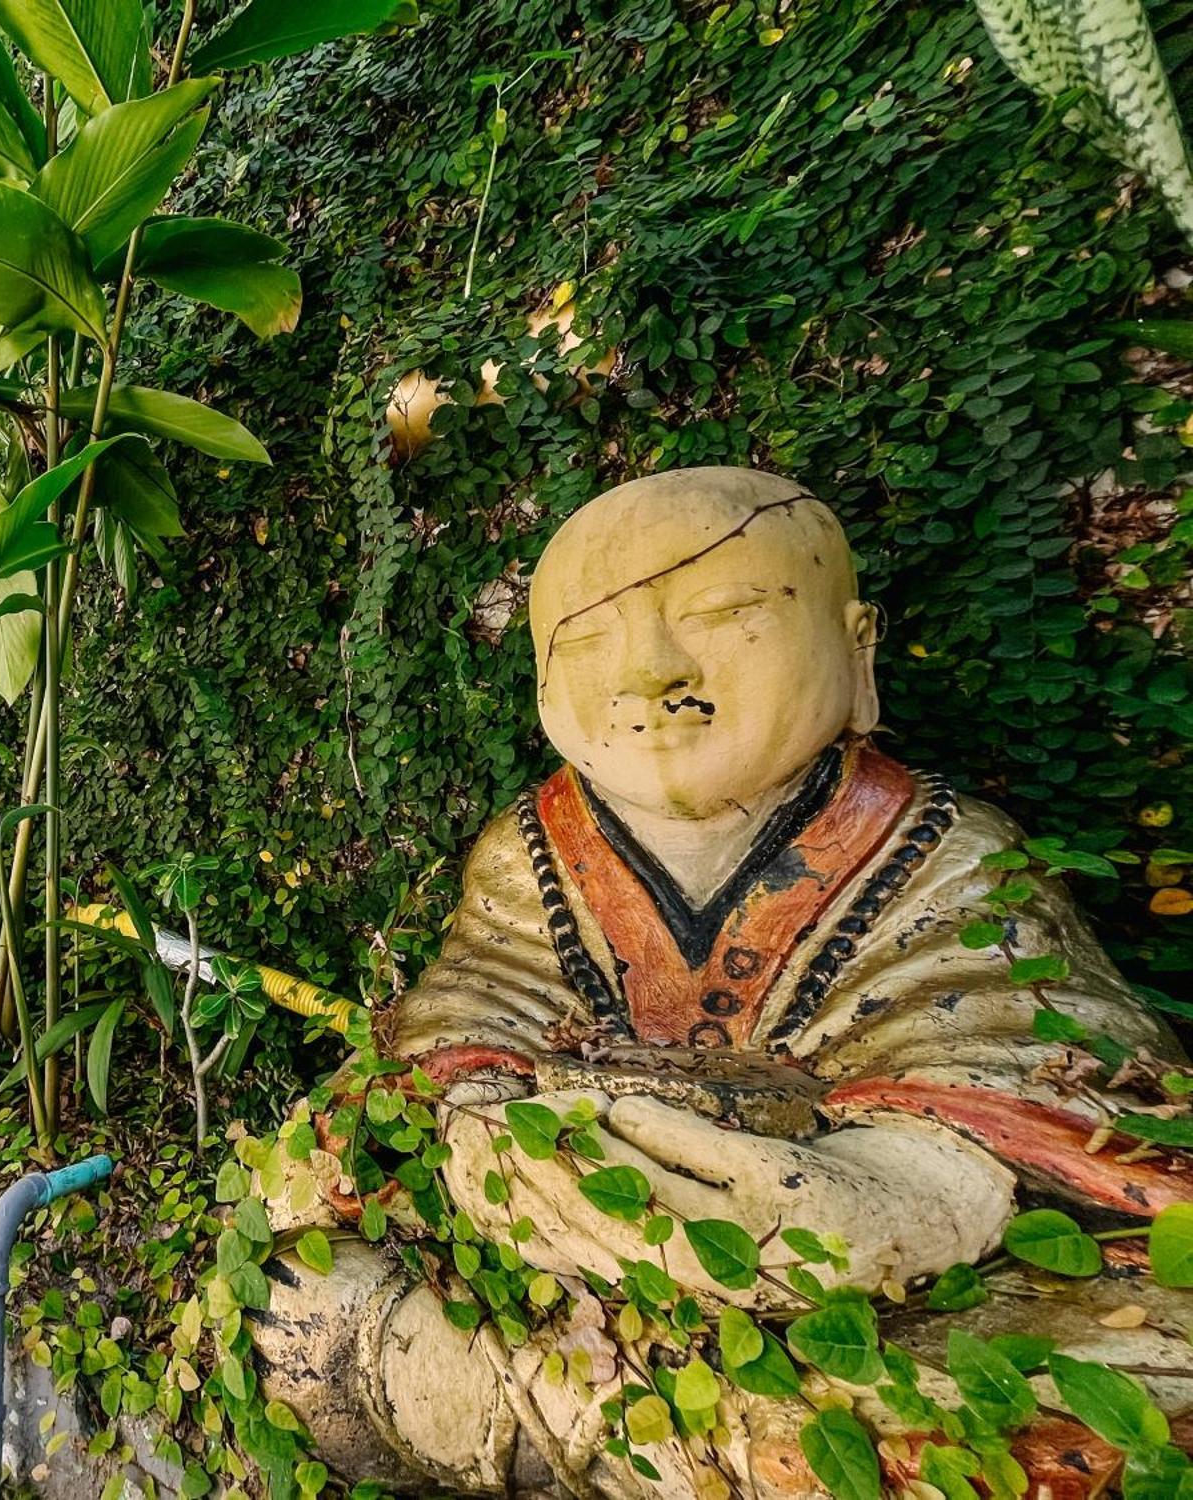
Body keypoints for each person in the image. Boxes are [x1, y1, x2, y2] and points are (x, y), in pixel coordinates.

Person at [251, 468, 1193, 1498]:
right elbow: (468, 1007)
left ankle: (567, 1426)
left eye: (724, 613)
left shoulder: (948, 853)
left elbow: (1059, 1085)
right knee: (300, 1253)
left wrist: (892, 1199)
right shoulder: (531, 850)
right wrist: (482, 1131)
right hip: (572, 1240)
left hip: (858, 1273)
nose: (650, 671)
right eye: (591, 641)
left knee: (1105, 1381)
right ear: (539, 688)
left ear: (855, 647)